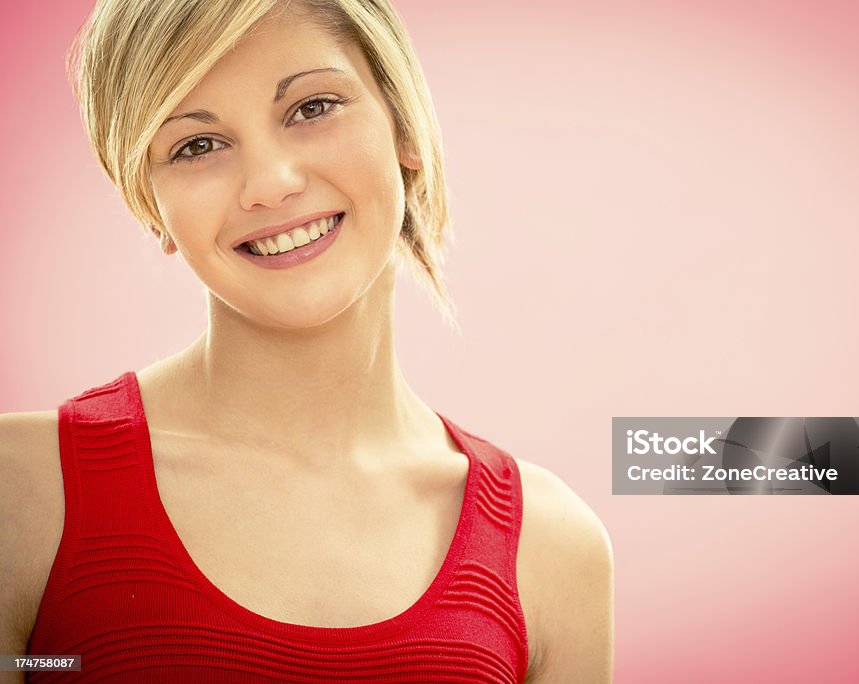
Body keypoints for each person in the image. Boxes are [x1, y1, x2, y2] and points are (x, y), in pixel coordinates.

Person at [0, 0, 613, 681]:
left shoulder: (552, 548)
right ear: (153, 207)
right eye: (196, 146)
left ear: (404, 127)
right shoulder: (20, 494)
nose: (270, 184)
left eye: (312, 107)